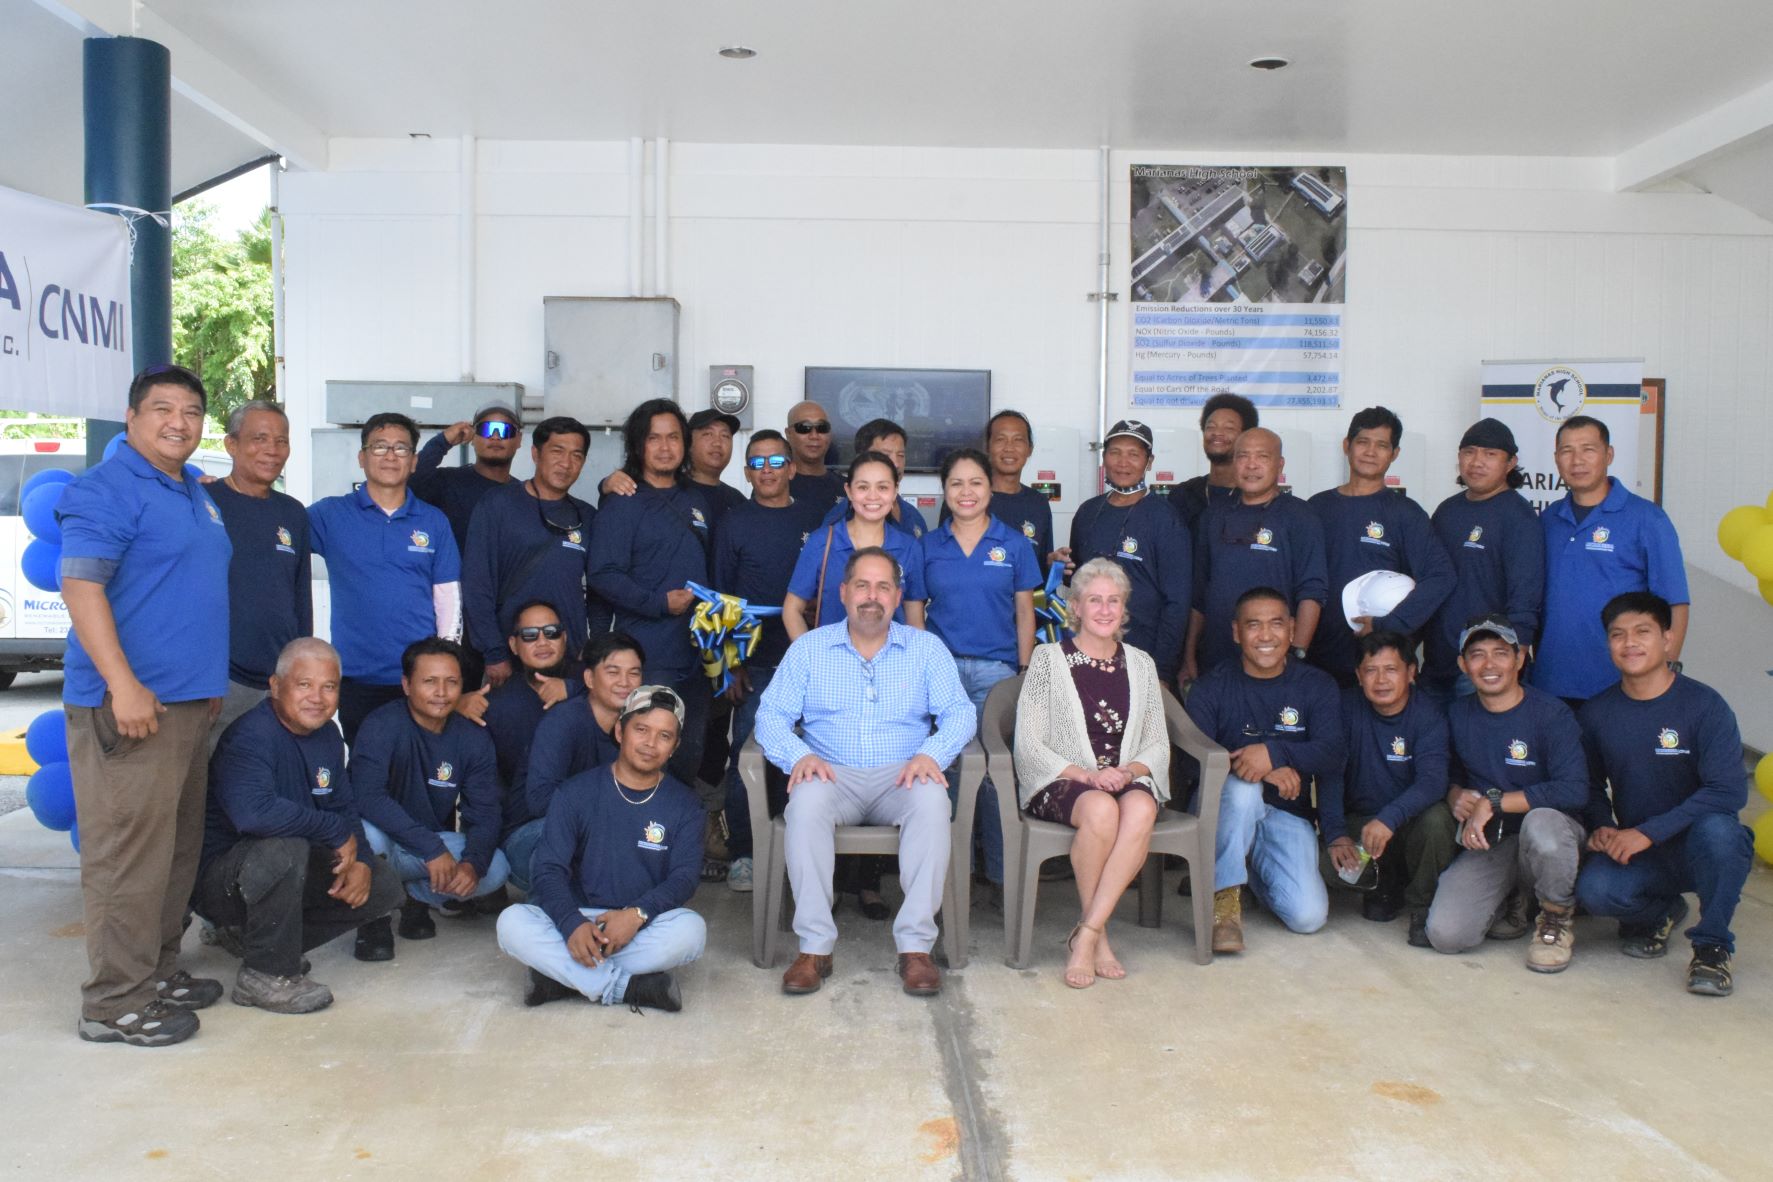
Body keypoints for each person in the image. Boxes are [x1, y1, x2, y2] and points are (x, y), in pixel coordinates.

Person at [58, 363, 233, 1047]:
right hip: (130, 705)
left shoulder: (192, 488)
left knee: (173, 852)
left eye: (191, 411)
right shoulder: (104, 489)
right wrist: (122, 684)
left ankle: (156, 972)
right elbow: (82, 588)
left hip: (188, 705)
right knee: (127, 858)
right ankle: (113, 1003)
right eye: (163, 409)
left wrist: (206, 682)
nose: (179, 423)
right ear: (132, 418)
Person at [756, 548, 975, 997]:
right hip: (832, 776)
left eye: (883, 587)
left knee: (933, 800)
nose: (871, 597)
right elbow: (770, 716)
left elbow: (959, 713)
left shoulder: (925, 648)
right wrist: (798, 757)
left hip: (903, 776)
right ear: (843, 592)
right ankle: (815, 947)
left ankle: (915, 948)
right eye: (862, 585)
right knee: (805, 802)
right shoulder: (810, 648)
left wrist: (932, 753)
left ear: (897, 596)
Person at [195, 639, 404, 1013]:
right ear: (276, 686)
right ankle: (265, 974)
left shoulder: (327, 736)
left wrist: (362, 864)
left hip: (279, 872)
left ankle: (257, 941)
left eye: (329, 686)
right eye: (304, 684)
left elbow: (343, 806)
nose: (318, 698)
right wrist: (332, 830)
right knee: (286, 846)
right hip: (222, 881)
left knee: (383, 886)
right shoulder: (252, 736)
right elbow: (254, 814)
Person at [1575, 592, 1752, 997]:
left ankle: (1712, 947)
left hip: (1701, 847)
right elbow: (1587, 786)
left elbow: (1728, 791)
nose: (1629, 643)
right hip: (1644, 853)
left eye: (1642, 632)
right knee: (1596, 892)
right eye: (1617, 635)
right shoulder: (1598, 713)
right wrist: (1603, 825)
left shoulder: (1705, 706)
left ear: (1668, 640)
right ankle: (1663, 910)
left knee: (1723, 834)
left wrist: (1648, 832)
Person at [496, 685, 706, 1013]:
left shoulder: (686, 806)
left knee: (691, 931)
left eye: (664, 736)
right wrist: (570, 924)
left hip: (639, 924)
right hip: (577, 919)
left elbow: (684, 877)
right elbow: (548, 869)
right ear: (620, 730)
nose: (651, 744)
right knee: (511, 923)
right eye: (641, 729)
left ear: (675, 747)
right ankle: (626, 986)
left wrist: (637, 914)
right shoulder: (575, 793)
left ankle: (561, 977)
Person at [1012, 559, 1168, 988]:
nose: (1104, 609)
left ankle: (1088, 932)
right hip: (1063, 778)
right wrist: (1086, 775)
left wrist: (1127, 771)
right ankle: (1095, 938)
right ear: (1075, 607)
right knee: (1101, 810)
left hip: (1123, 776)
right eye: (1093, 600)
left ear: (1124, 609)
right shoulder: (1047, 659)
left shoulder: (1141, 664)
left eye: (1113, 601)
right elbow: (1029, 740)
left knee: (1139, 809)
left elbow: (1157, 742)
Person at [1424, 615, 1588, 972]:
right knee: (1446, 935)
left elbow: (1575, 789)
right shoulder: (1457, 715)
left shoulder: (1550, 714)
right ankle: (1516, 897)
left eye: (1500, 653)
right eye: (1478, 654)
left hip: (1553, 836)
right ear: (1462, 665)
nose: (1489, 664)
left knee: (1541, 823)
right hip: (1495, 840)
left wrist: (1495, 801)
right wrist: (1455, 796)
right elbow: (1447, 773)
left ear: (1519, 658)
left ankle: (1555, 917)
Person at [1185, 587, 1343, 952]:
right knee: (1243, 791)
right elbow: (1195, 765)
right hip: (1221, 813)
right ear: (1236, 632)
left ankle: (1247, 873)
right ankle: (1223, 904)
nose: (1266, 635)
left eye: (1275, 624)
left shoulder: (1316, 685)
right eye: (1253, 625)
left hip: (1287, 815)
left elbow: (1333, 753)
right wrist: (1259, 769)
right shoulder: (1211, 688)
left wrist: (1274, 754)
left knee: (1308, 918)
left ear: (1291, 629)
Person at [712, 429, 829, 891]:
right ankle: (745, 851)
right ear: (746, 472)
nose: (766, 470)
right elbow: (721, 599)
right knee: (750, 757)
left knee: (809, 757)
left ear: (792, 468)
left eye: (775, 461)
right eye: (757, 463)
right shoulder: (734, 523)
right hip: (755, 663)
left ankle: (798, 849)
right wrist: (731, 664)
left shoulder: (816, 520)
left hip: (811, 661)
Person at [921, 447, 1039, 899]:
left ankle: (1003, 876)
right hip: (943, 670)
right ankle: (954, 876)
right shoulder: (929, 547)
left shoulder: (1012, 543)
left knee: (996, 772)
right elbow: (915, 614)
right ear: (944, 491)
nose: (966, 492)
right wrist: (923, 672)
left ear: (990, 489)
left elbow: (1025, 611)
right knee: (946, 770)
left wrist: (1023, 671)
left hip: (997, 673)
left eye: (975, 483)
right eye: (956, 483)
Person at [587, 399, 715, 799]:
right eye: (653, 438)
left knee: (687, 756)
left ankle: (675, 847)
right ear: (638, 445)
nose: (664, 447)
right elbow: (603, 575)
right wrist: (660, 603)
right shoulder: (622, 502)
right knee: (647, 759)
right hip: (649, 658)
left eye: (673, 437)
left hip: (697, 659)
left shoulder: (699, 500)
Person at [308, 411, 463, 743]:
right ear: (362, 458)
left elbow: (448, 597)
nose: (390, 456)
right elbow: (273, 528)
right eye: (379, 447)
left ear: (414, 461)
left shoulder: (434, 522)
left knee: (418, 775)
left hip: (418, 680)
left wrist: (442, 667)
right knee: (366, 774)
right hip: (355, 678)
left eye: (401, 449)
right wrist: (215, 491)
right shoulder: (329, 515)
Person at [349, 638, 509, 956]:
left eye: (451, 682)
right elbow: (367, 797)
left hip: (422, 847)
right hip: (384, 842)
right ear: (407, 685)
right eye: (429, 682)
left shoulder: (472, 736)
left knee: (495, 869)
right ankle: (373, 917)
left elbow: (485, 810)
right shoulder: (382, 725)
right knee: (368, 836)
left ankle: (414, 899)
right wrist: (432, 849)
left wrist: (472, 866)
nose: (441, 692)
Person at [1535, 416, 1689, 707]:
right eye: (1567, 451)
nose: (1577, 460)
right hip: (1551, 683)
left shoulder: (1647, 518)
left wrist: (1664, 672)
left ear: (1609, 455)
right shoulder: (1548, 519)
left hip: (1622, 684)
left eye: (1588, 449)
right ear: (1556, 459)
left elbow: (1676, 603)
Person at [1317, 631, 1457, 947]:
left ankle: (1422, 905)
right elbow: (1330, 773)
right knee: (1326, 866)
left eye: (1391, 669)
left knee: (1438, 820)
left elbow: (1433, 781)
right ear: (1358, 675)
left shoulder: (1428, 714)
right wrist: (1335, 833)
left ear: (1411, 672)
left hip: (1410, 824)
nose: (1381, 680)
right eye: (1371, 670)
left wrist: (1390, 818)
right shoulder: (1344, 707)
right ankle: (1385, 885)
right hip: (1363, 825)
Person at [1305, 407, 1454, 686]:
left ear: (1394, 454)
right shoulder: (1316, 507)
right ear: (1347, 446)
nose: (1371, 452)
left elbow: (1441, 576)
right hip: (1317, 658)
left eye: (1382, 445)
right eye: (1363, 442)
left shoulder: (1406, 514)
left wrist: (1391, 625)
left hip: (1379, 664)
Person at [1184, 428, 1327, 683]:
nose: (1251, 465)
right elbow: (1198, 595)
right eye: (1242, 456)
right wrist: (1189, 656)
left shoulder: (1300, 516)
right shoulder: (1213, 516)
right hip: (1215, 658)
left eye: (1262, 457)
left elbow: (1312, 592)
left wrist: (1298, 652)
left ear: (1279, 465)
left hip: (1275, 658)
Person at [462, 415, 594, 688]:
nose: (566, 463)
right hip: (508, 658)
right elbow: (477, 584)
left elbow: (601, 587)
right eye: (557, 451)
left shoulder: (587, 516)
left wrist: (589, 647)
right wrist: (494, 651)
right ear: (535, 454)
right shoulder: (497, 505)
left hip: (569, 659)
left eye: (576, 455)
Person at [206, 399, 312, 737]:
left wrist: (299, 673)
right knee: (210, 782)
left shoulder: (293, 512)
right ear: (232, 444)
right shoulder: (205, 503)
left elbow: (300, 597)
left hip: (278, 684)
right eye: (260, 439)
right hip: (221, 682)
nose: (272, 450)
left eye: (281, 441)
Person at [1058, 419, 1192, 684]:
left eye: (1133, 454)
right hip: (1089, 652)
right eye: (1115, 452)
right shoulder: (1088, 512)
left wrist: (1162, 669)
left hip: (1142, 656)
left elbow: (1177, 602)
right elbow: (1073, 583)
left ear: (1149, 461)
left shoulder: (1166, 519)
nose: (1123, 462)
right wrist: (1057, 566)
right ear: (1104, 457)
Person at [1424, 418, 1544, 704]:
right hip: (1437, 662)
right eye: (1469, 452)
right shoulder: (1446, 511)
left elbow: (1525, 597)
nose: (1477, 461)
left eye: (1490, 454)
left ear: (1511, 462)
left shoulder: (1520, 518)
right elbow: (1428, 581)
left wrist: (1515, 658)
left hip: (1484, 667)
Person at [483, 602, 577, 897]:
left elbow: (627, 692)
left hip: (588, 820)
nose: (542, 642)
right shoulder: (496, 703)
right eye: (529, 635)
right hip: (526, 828)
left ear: (565, 638)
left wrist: (574, 689)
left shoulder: (592, 687)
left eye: (551, 632)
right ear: (512, 644)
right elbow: (485, 786)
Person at [522, 632, 646, 852]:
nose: (625, 683)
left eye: (633, 674)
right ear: (589, 679)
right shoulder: (564, 721)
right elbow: (539, 801)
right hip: (531, 833)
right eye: (613, 672)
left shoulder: (640, 727)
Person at [785, 451, 928, 637]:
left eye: (883, 487)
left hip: (893, 663)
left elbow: (915, 621)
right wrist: (810, 659)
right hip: (832, 662)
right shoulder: (822, 542)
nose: (873, 496)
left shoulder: (909, 547)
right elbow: (792, 609)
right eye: (863, 487)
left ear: (895, 491)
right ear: (848, 491)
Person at [935, 410, 1056, 568]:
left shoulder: (1038, 503)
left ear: (1030, 449)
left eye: (1018, 440)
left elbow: (1041, 565)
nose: (1009, 448)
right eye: (1000, 439)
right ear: (987, 447)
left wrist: (1053, 563)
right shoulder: (966, 499)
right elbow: (941, 557)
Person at [410, 402, 522, 553]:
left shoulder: (525, 495)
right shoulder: (446, 482)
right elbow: (409, 479)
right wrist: (443, 441)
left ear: (519, 440)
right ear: (473, 437)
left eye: (505, 430)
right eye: (486, 429)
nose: (495, 436)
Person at [819, 419, 929, 540]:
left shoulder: (913, 514)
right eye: (885, 455)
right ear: (860, 459)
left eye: (901, 455)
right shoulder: (838, 520)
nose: (896, 464)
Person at [1170, 392, 1257, 533]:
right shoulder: (1182, 495)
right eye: (1210, 427)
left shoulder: (1253, 495)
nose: (1218, 433)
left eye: (1229, 428)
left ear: (1245, 436)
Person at [785, 400, 845, 508]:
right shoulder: (776, 486)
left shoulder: (847, 487)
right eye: (804, 428)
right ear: (788, 434)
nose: (814, 435)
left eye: (822, 428)